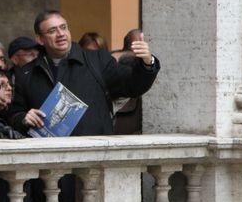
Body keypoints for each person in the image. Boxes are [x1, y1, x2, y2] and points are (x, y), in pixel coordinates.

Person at [9, 10, 160, 136]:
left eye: (63, 27)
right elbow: (13, 115)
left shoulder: (97, 60)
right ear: (40, 39)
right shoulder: (26, 73)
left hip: (94, 157)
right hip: (50, 161)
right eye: (52, 31)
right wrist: (23, 118)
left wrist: (147, 63)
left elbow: (132, 86)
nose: (60, 34)